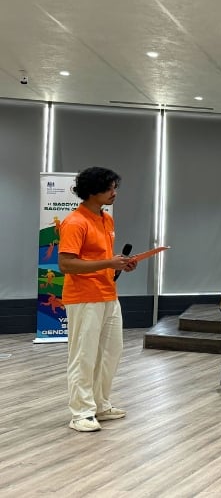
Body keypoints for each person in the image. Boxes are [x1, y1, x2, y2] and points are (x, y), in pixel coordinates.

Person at [58, 167, 136, 432]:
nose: (115, 193)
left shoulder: (106, 220)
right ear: (92, 191)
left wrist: (119, 265)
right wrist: (108, 262)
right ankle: (80, 412)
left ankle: (100, 404)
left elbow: (100, 261)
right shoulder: (75, 222)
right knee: (84, 355)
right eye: (109, 188)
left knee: (111, 352)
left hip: (108, 295)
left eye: (115, 187)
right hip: (84, 298)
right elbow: (66, 265)